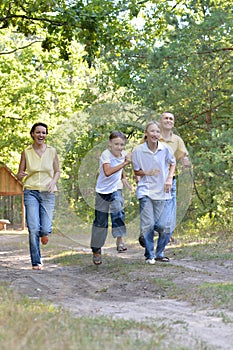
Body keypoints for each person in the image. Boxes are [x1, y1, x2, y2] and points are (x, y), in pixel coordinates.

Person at [17, 122, 60, 270]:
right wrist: (20, 175)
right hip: (31, 191)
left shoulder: (52, 151)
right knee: (33, 227)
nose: (41, 135)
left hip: (48, 192)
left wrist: (53, 182)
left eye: (44, 132)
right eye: (38, 132)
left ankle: (45, 233)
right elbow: (19, 174)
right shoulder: (26, 152)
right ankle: (36, 261)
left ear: (46, 135)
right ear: (32, 134)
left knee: (45, 227)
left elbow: (57, 171)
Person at [132, 121, 176, 264]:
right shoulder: (138, 151)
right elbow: (136, 171)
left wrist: (169, 179)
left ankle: (159, 252)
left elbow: (173, 162)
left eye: (157, 132)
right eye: (152, 131)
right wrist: (146, 173)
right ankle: (150, 255)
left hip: (163, 191)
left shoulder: (165, 149)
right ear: (146, 133)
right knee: (148, 223)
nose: (155, 134)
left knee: (163, 226)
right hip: (145, 191)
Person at [90, 131, 131, 265]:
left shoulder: (124, 155)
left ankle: (120, 240)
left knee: (118, 209)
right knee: (101, 222)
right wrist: (124, 164)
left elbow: (120, 167)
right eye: (116, 144)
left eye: (121, 145)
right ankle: (96, 250)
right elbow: (107, 172)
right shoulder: (105, 155)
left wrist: (123, 178)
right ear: (110, 144)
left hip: (115, 189)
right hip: (102, 191)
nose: (119, 147)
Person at [158, 111, 191, 248]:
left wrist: (185, 161)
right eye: (165, 118)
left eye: (171, 118)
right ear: (160, 121)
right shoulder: (153, 136)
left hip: (170, 180)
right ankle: (147, 231)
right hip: (153, 180)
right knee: (155, 211)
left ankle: (160, 248)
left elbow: (182, 155)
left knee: (169, 214)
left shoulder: (177, 140)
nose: (168, 120)